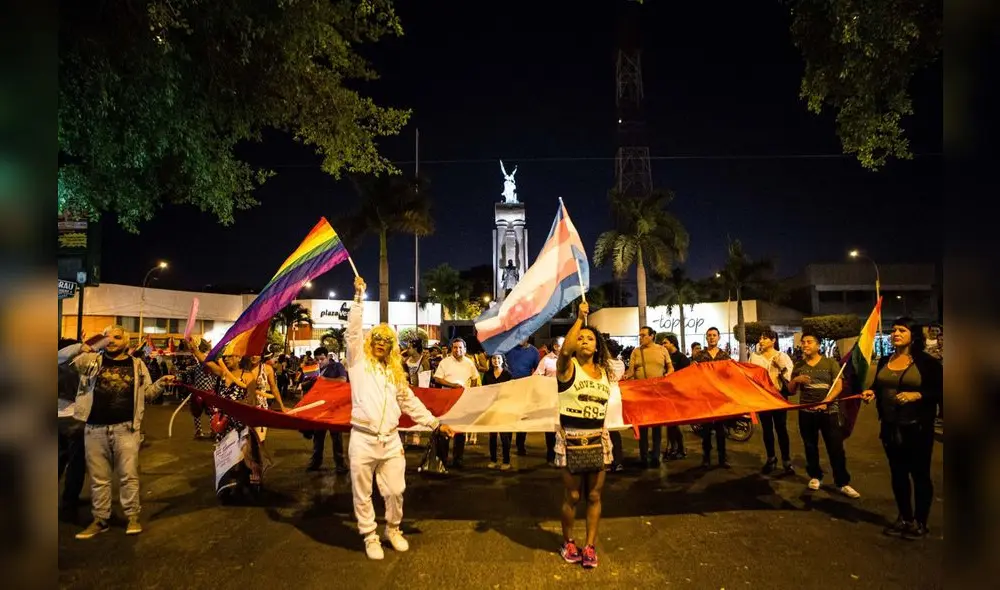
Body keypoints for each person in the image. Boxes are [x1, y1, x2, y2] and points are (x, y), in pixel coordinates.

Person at [345, 276, 455, 560]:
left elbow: (410, 403)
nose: (380, 342)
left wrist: (435, 423)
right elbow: (353, 333)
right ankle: (370, 535)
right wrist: (358, 298)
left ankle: (392, 530)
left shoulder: (396, 373)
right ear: (370, 342)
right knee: (362, 492)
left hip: (391, 440)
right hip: (363, 438)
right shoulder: (358, 363)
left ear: (392, 345)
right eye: (376, 338)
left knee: (396, 490)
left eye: (386, 339)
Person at [66, 326, 176, 538]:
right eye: (108, 336)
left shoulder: (137, 364)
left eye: (117, 337)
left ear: (127, 342)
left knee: (129, 476)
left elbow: (148, 394)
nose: (112, 340)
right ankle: (100, 519)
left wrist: (162, 383)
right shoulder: (92, 360)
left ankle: (132, 517)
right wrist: (84, 347)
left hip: (126, 429)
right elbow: (62, 360)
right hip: (94, 428)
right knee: (99, 479)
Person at [861, 317, 942, 538]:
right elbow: (879, 383)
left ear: (913, 335)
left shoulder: (926, 363)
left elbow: (942, 390)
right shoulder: (886, 360)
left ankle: (920, 522)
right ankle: (905, 517)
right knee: (898, 474)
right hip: (890, 427)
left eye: (902, 330)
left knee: (920, 475)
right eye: (894, 330)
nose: (896, 333)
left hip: (917, 428)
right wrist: (872, 391)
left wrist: (919, 394)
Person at [555, 301, 612, 570]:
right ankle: (568, 542)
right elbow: (565, 349)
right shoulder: (567, 368)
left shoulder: (604, 374)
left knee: (594, 497)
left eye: (590, 337)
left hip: (597, 438)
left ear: (597, 345)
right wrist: (579, 319)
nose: (585, 341)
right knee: (574, 496)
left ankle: (589, 546)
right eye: (581, 338)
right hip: (571, 438)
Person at [787, 333, 860, 498]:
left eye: (809, 342)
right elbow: (791, 391)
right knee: (810, 445)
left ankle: (842, 482)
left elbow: (838, 385)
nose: (805, 345)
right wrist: (796, 380)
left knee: (835, 447)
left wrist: (826, 401)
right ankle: (815, 475)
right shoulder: (798, 365)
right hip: (806, 413)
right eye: (803, 342)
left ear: (818, 345)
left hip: (829, 412)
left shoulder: (830, 363)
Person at [748, 328, 795, 475]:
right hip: (763, 397)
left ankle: (786, 461)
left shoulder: (783, 356)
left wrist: (780, 367)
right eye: (760, 338)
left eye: (764, 338)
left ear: (773, 340)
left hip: (779, 395)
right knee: (767, 429)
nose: (760, 341)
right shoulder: (754, 357)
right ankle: (771, 459)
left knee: (781, 428)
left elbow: (790, 378)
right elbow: (750, 376)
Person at [305, 346, 348, 473]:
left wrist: (325, 380)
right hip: (320, 407)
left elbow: (342, 380)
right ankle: (315, 462)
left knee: (336, 437)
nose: (319, 362)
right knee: (318, 437)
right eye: (317, 360)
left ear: (327, 357)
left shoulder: (337, 366)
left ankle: (340, 464)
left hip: (334, 407)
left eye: (322, 359)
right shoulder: (316, 369)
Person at [660, 333, 690, 460]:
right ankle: (673, 449)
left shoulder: (681, 358)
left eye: (665, 343)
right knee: (670, 425)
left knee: (674, 424)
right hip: (667, 395)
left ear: (673, 343)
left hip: (677, 395)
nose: (663, 345)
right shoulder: (664, 357)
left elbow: (687, 376)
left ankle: (679, 449)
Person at [482, 353, 514, 470]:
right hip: (491, 408)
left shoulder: (508, 374)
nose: (496, 360)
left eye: (498, 358)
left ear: (503, 360)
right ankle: (493, 459)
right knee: (492, 436)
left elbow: (512, 391)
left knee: (505, 436)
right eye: (494, 358)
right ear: (491, 361)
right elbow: (483, 391)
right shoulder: (487, 374)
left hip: (504, 409)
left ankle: (506, 461)